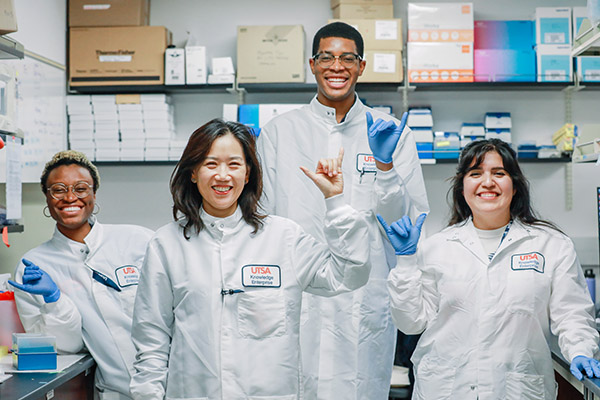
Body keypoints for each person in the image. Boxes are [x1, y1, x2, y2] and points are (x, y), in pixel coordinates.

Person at [129, 119, 371, 399]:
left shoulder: (284, 237)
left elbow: (348, 275)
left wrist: (336, 203)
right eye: (210, 164)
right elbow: (151, 340)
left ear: (248, 174)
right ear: (193, 172)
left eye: (234, 164)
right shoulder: (166, 244)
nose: (222, 175)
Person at [257, 21, 429, 399]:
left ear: (361, 66)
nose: (337, 66)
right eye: (327, 57)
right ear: (312, 64)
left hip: (364, 298)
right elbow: (262, 219)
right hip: (298, 295)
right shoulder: (279, 133)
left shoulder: (390, 133)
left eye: (347, 58)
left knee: (359, 386)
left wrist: (384, 169)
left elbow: (406, 223)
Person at [379, 138, 600, 399]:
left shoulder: (551, 245)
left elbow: (572, 314)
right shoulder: (437, 247)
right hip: (446, 389)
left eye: (499, 173)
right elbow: (410, 322)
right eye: (475, 173)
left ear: (515, 186)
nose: (487, 182)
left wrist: (581, 350)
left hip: (518, 390)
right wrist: (405, 260)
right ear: (462, 187)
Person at [9, 150, 154, 400]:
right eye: (58, 189)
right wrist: (54, 300)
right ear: (47, 197)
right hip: (116, 391)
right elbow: (65, 347)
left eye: (81, 188)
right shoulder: (33, 265)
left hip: (175, 384)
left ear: (94, 194)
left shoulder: (139, 240)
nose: (69, 197)